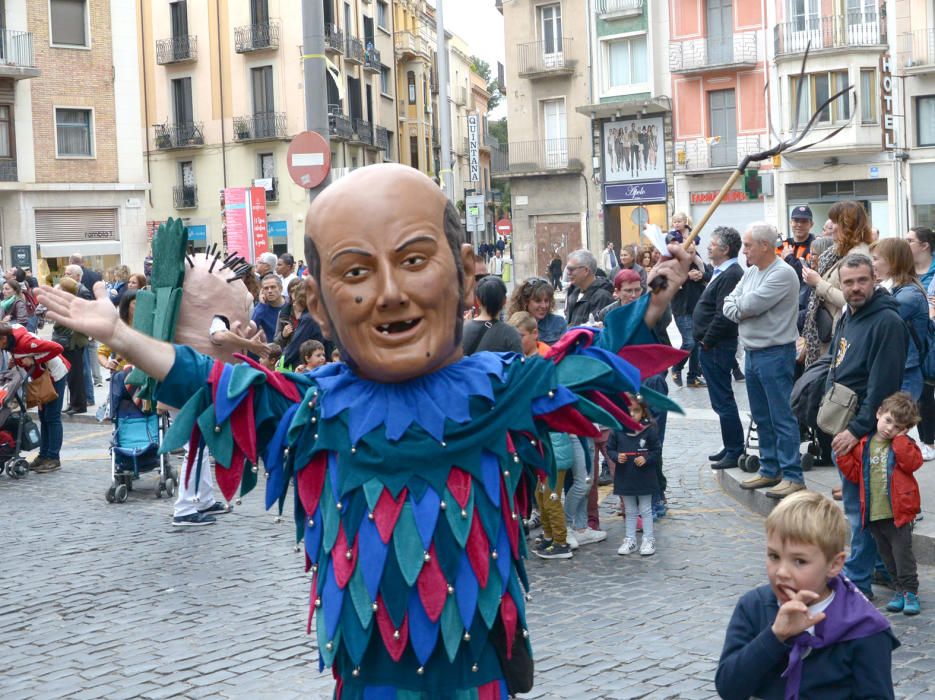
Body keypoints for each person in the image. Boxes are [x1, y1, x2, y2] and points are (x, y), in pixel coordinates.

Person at [38, 163, 692, 697]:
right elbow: (213, 384)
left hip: (479, 679)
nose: (389, 293)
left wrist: (654, 303)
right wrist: (122, 334)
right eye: (355, 272)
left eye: (413, 260)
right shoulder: (316, 408)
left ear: (464, 270)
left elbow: (591, 363)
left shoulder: (501, 388)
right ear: (318, 300)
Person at [716, 490, 898, 700]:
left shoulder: (865, 628)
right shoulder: (753, 606)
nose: (782, 572)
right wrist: (774, 636)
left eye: (799, 561)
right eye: (774, 556)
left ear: (834, 564)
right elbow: (729, 689)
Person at [824, 253, 907, 600]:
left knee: (861, 510)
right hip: (847, 425)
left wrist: (856, 431)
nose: (855, 288)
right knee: (863, 506)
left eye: (862, 280)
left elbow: (882, 389)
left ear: (874, 279)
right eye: (848, 282)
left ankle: (857, 581)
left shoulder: (886, 322)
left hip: (866, 433)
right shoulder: (848, 313)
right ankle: (879, 569)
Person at [724, 222, 803, 499]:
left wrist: (741, 307)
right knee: (761, 416)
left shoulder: (782, 273)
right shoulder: (753, 272)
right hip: (754, 352)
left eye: (748, 245)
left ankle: (792, 474)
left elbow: (748, 305)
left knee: (781, 416)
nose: (744, 250)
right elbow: (731, 304)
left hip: (774, 353)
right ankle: (770, 469)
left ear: (765, 246)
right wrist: (741, 308)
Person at [837, 392, 923, 616]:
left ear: (904, 429)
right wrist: (843, 457)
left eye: (897, 427)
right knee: (886, 556)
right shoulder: (865, 443)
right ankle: (897, 590)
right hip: (875, 513)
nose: (889, 429)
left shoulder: (902, 444)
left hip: (898, 513)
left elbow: (913, 463)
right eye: (888, 421)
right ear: (878, 414)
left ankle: (910, 592)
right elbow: (856, 476)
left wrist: (902, 439)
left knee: (902, 554)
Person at [693, 227, 746, 470]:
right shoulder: (721, 271)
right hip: (712, 345)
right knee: (719, 400)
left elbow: (723, 315)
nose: (708, 247)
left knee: (723, 400)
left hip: (717, 346)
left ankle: (735, 449)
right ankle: (730, 444)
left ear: (725, 249)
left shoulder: (731, 273)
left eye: (713, 244)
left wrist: (707, 340)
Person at [801, 200, 873, 368]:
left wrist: (818, 283)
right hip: (832, 333)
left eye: (835, 222)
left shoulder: (858, 254)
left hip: (841, 336)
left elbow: (854, 299)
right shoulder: (840, 251)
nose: (831, 227)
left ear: (847, 225)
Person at [0, 322, 68, 473]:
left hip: (54, 375)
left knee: (52, 417)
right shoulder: (12, 337)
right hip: (41, 378)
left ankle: (53, 458)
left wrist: (34, 359)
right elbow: (18, 329)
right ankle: (43, 455)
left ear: (4, 338)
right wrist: (16, 360)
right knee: (43, 417)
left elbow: (58, 348)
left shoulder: (25, 343)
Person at [870, 238, 929, 400]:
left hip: (905, 374)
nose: (872, 264)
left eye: (875, 259)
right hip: (892, 371)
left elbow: (875, 320)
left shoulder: (909, 296)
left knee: (896, 424)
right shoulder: (891, 289)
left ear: (893, 262)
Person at [607, 393, 661, 557]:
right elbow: (610, 449)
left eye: (636, 411)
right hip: (625, 476)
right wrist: (617, 457)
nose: (632, 415)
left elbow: (656, 450)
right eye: (628, 411)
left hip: (644, 477)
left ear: (643, 412)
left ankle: (648, 539)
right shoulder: (617, 430)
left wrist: (646, 458)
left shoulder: (649, 430)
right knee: (629, 510)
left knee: (645, 509)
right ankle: (630, 539)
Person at [670, 242, 710, 388]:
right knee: (689, 342)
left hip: (697, 309)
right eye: (688, 251)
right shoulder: (674, 265)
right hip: (682, 309)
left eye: (693, 251)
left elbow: (712, 275)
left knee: (697, 344)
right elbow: (667, 282)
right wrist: (687, 276)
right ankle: (676, 366)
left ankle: (693, 377)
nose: (691, 255)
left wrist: (701, 275)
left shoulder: (699, 263)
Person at [52, 277, 88, 415]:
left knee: (75, 376)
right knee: (72, 375)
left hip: (73, 343)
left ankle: (78, 405)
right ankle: (74, 403)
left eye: (60, 287)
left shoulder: (71, 303)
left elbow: (60, 325)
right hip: (71, 342)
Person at [462, 276, 523, 354]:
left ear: (477, 300)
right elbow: (518, 364)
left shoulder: (463, 330)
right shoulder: (511, 334)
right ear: (504, 300)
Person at [507, 277, 567, 345]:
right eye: (538, 301)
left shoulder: (559, 323)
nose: (544, 306)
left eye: (546, 301)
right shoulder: (513, 325)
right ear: (526, 301)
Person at [564, 250, 615, 326]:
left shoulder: (602, 297)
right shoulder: (573, 292)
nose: (568, 273)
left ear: (586, 270)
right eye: (567, 269)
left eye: (571, 269)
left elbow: (595, 332)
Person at [778, 205, 815, 281]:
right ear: (790, 222)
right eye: (796, 220)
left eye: (804, 221)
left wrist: (789, 258)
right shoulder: (782, 244)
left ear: (811, 224)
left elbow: (806, 274)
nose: (799, 224)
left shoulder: (815, 247)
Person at [251, 274, 286, 343]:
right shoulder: (261, 308)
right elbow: (252, 329)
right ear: (262, 291)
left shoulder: (290, 306)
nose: (269, 291)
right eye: (266, 288)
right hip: (271, 349)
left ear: (281, 288)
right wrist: (261, 305)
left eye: (273, 287)